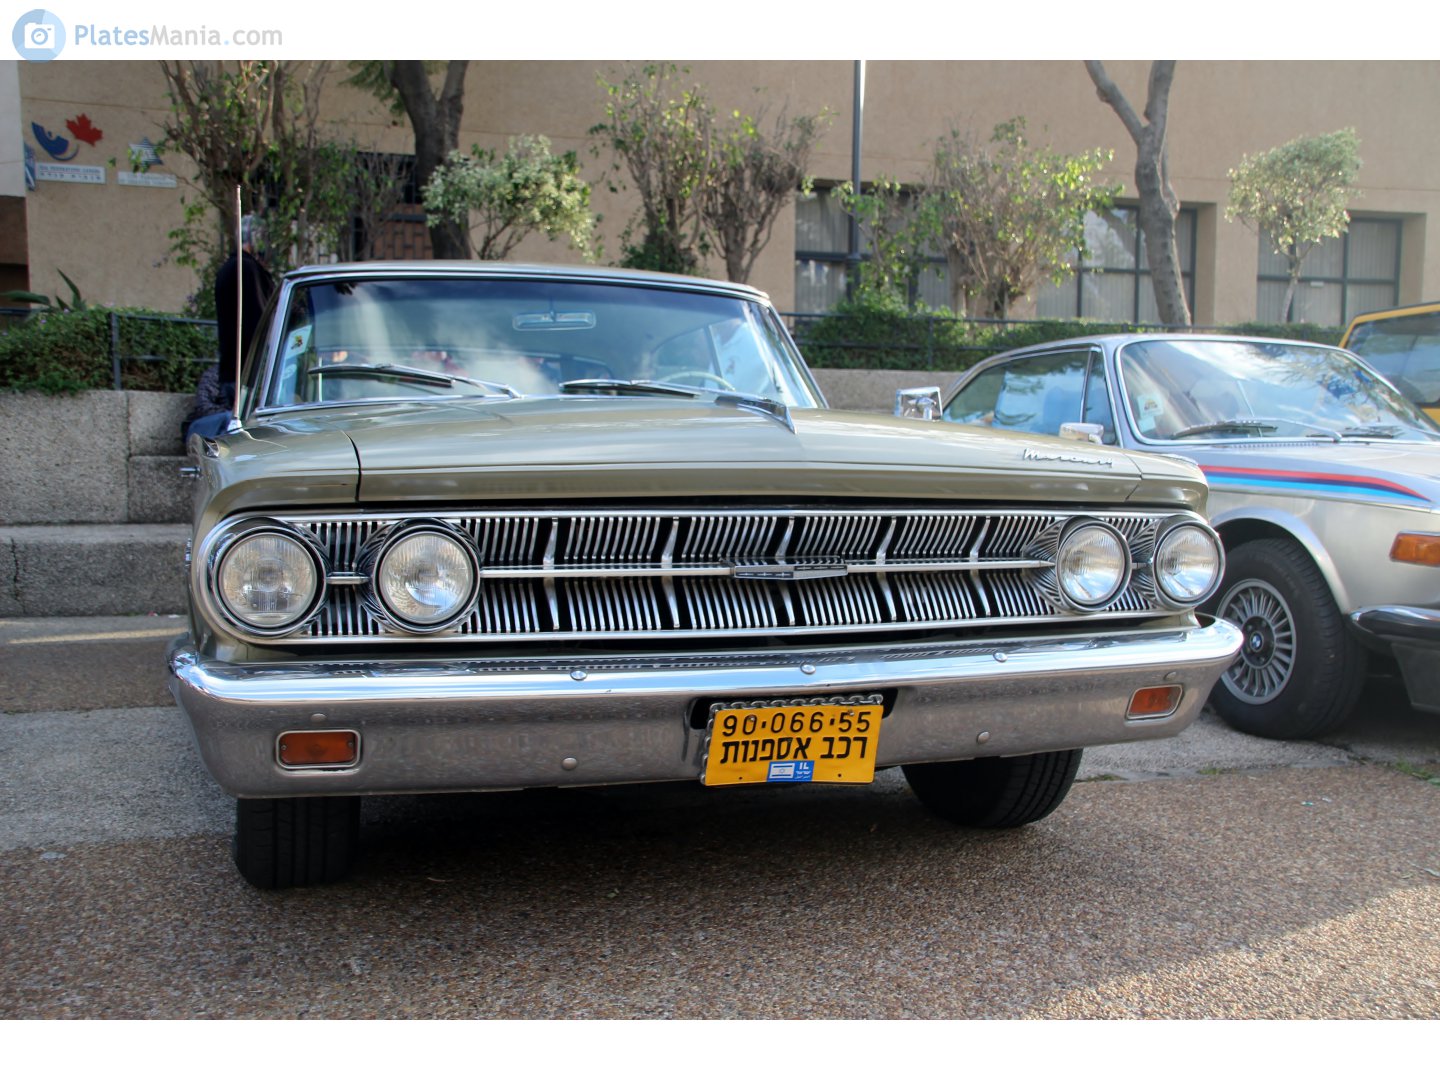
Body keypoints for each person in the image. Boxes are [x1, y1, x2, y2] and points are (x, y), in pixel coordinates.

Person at [183, 214, 275, 441]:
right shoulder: (245, 270)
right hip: (247, 371)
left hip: (238, 368)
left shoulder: (233, 268)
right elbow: (259, 321)